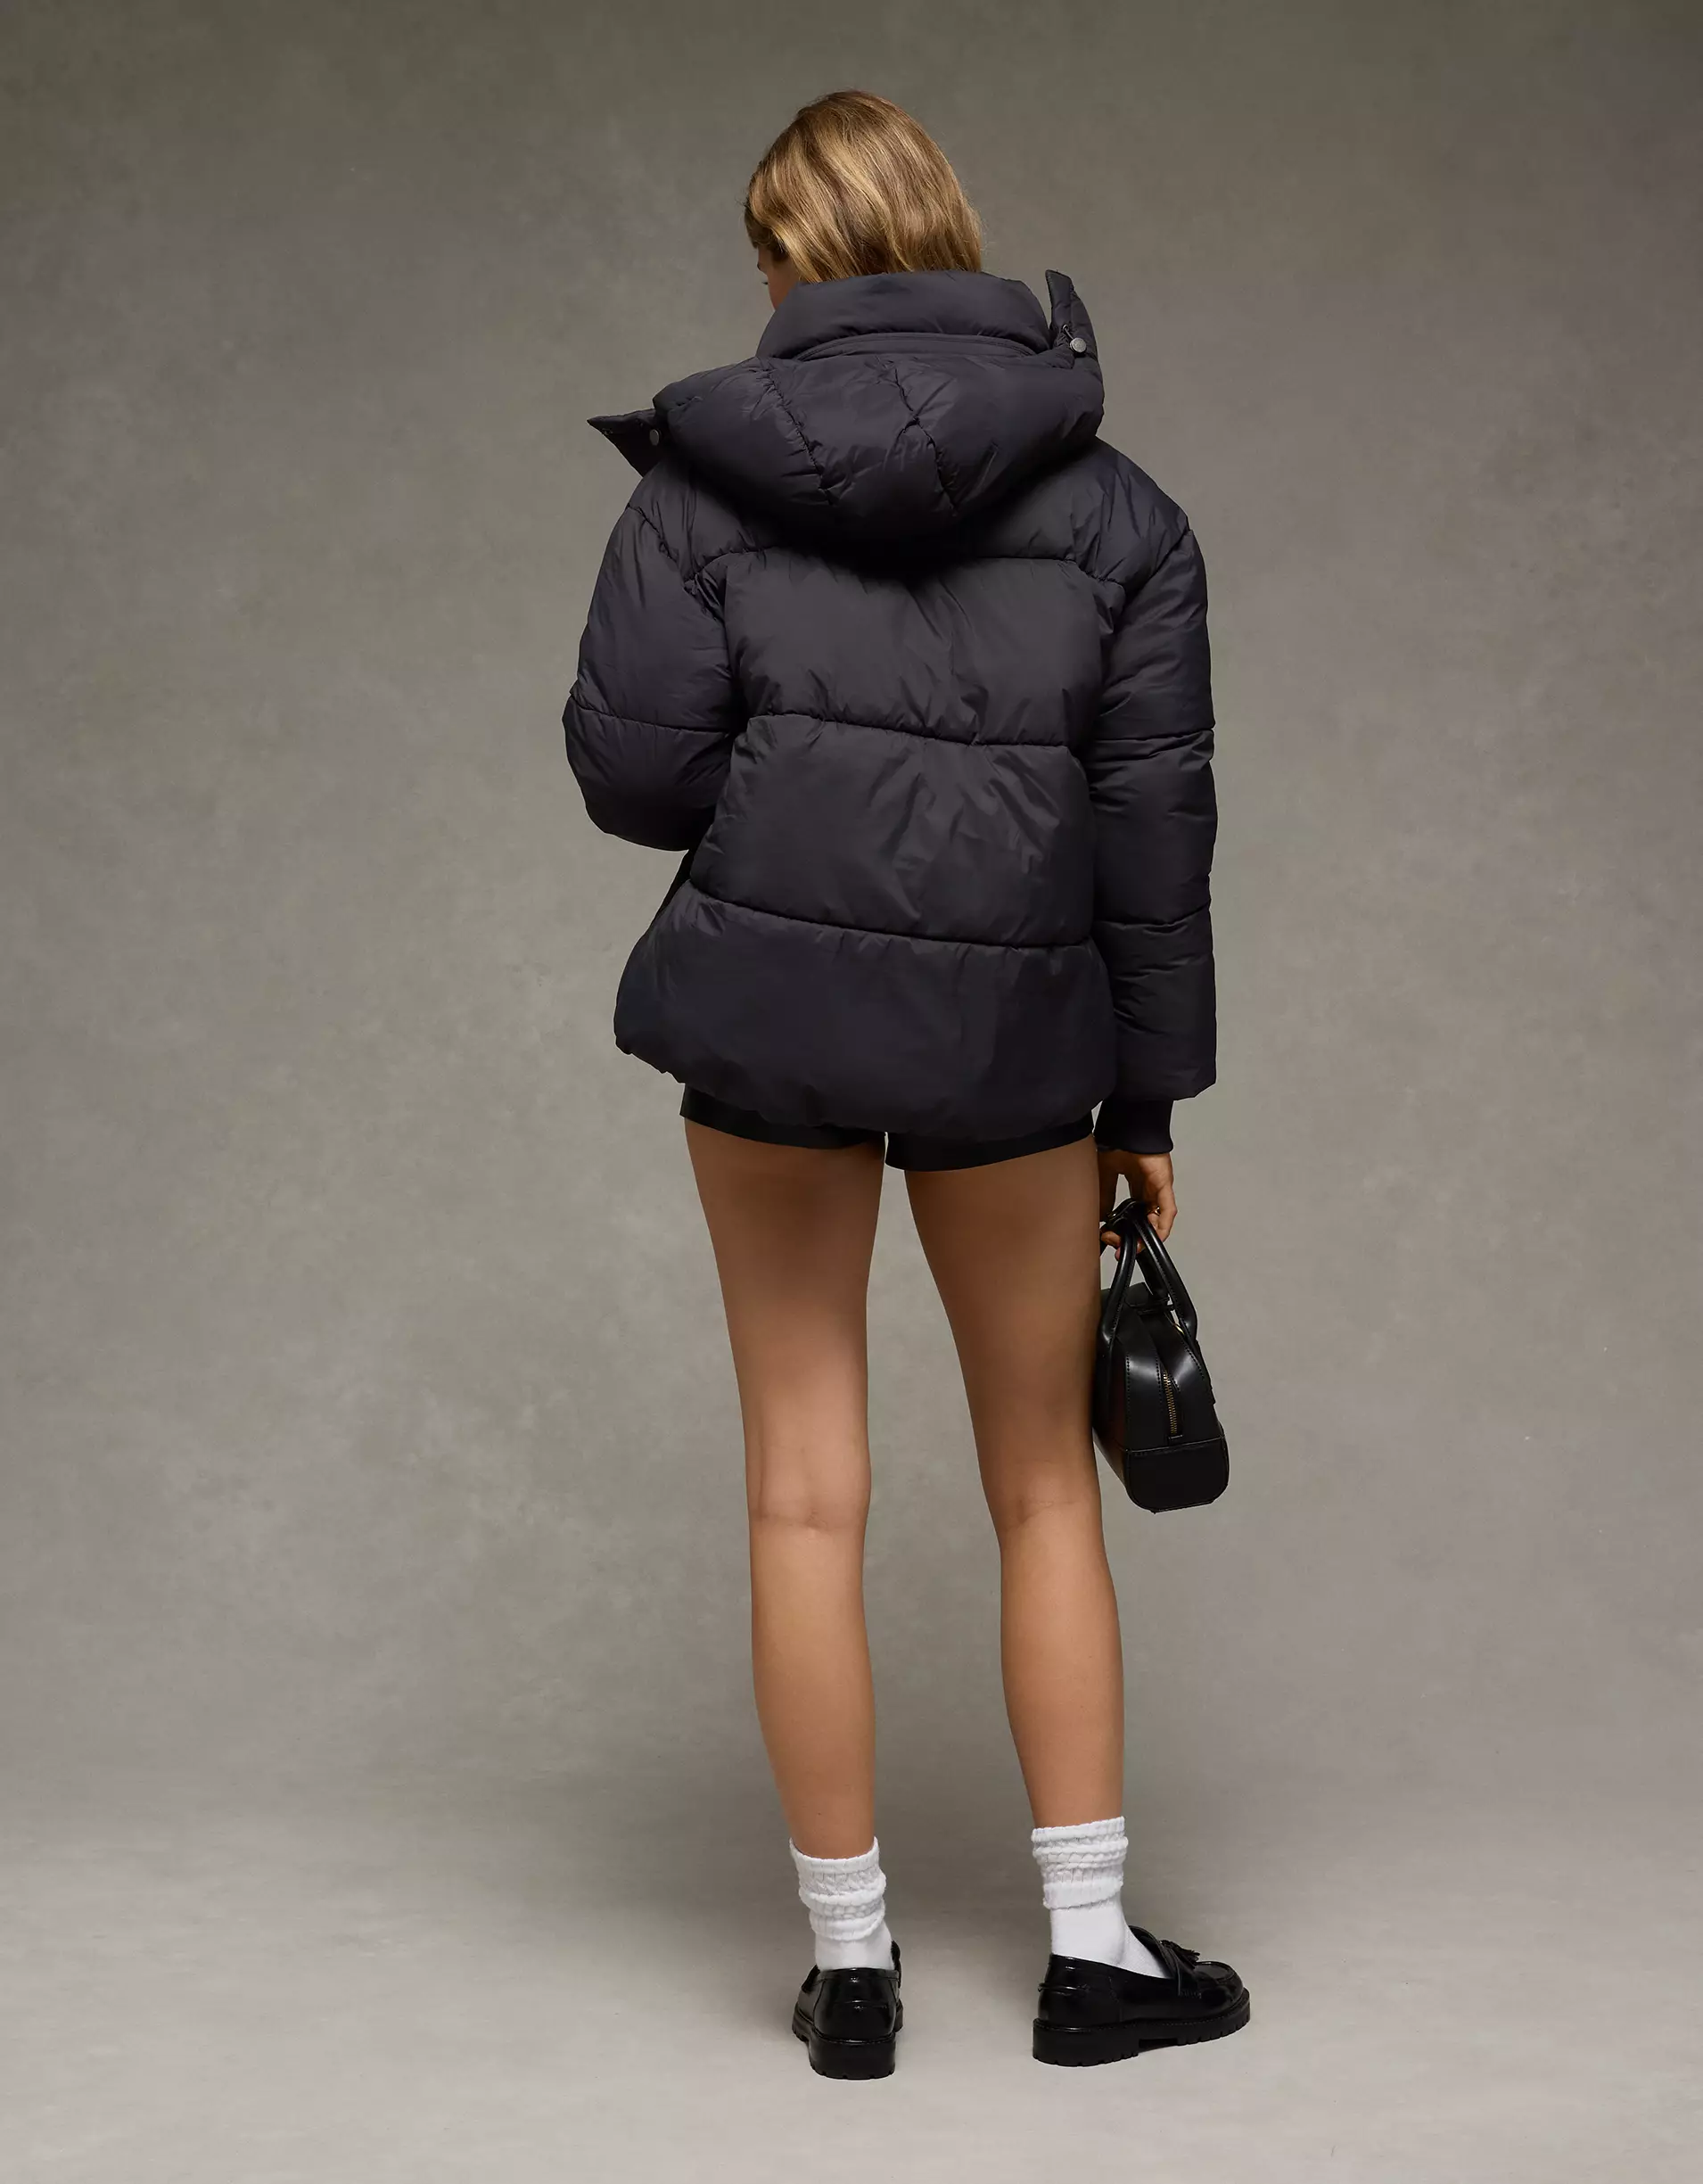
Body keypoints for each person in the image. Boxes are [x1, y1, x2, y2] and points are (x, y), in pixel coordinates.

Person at [561, 88, 1246, 2078]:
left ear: (786, 258)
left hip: (768, 1024)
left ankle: (850, 1975)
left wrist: (800, 784)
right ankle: (1092, 1959)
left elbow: (634, 780)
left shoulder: (694, 490)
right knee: (1042, 1489)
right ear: (949, 232)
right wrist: (1149, 1108)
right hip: (1019, 1045)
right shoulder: (1119, 514)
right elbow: (1154, 842)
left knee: (800, 1493)